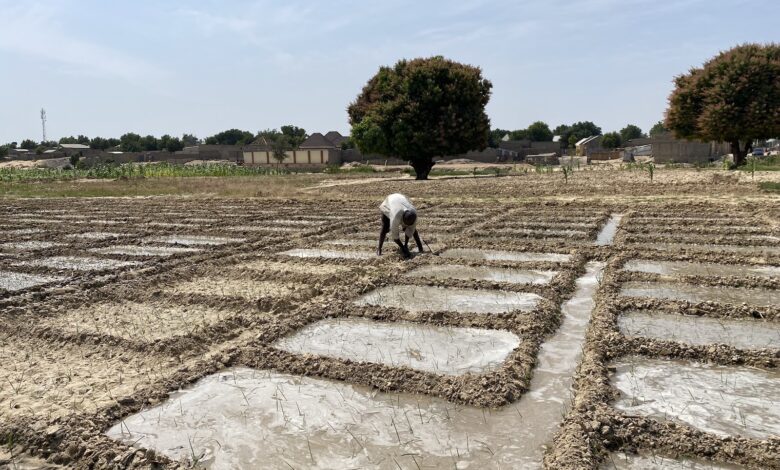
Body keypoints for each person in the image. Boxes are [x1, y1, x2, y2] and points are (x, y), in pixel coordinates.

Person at [377, 193, 424, 259]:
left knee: (413, 230)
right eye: (405, 224)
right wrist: (402, 247)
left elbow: (411, 230)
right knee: (385, 228)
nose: (406, 226)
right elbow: (395, 237)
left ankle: (420, 247)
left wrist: (406, 244)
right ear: (402, 219)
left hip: (400, 199)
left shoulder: (414, 214)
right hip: (389, 203)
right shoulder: (396, 216)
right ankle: (379, 249)